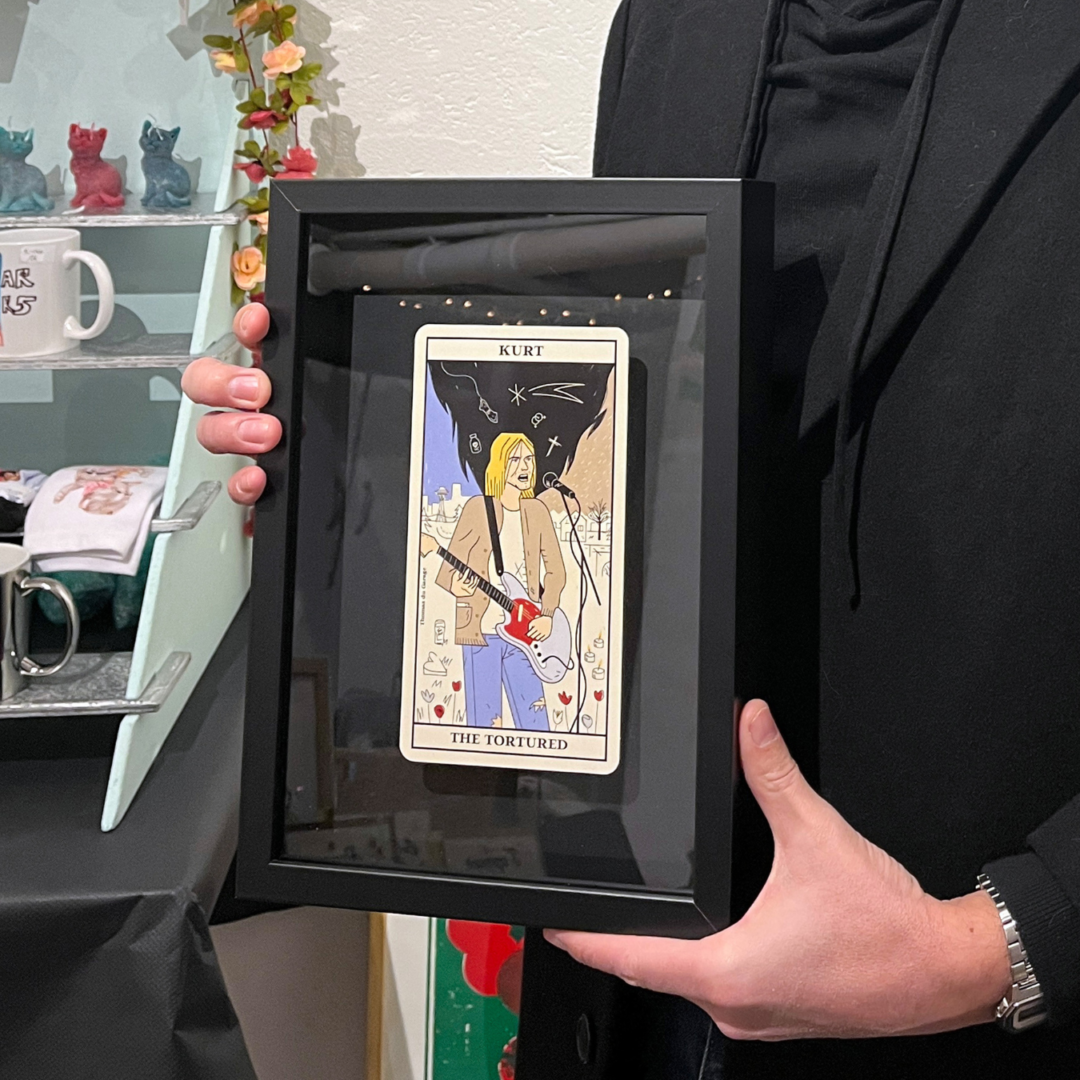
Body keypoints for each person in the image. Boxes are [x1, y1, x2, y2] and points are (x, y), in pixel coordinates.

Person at [183, 1, 1080, 1074]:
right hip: (634, 989)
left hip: (982, 1022)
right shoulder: (674, 24)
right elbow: (638, 401)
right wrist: (339, 452)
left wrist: (995, 946)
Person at [424, 431, 566, 730]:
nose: (524, 466)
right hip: (481, 632)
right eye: (515, 459)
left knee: (536, 722)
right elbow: (449, 569)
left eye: (529, 458)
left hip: (527, 631)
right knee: (483, 724)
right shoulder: (477, 508)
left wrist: (548, 615)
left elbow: (556, 570)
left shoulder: (537, 511)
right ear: (500, 464)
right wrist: (456, 586)